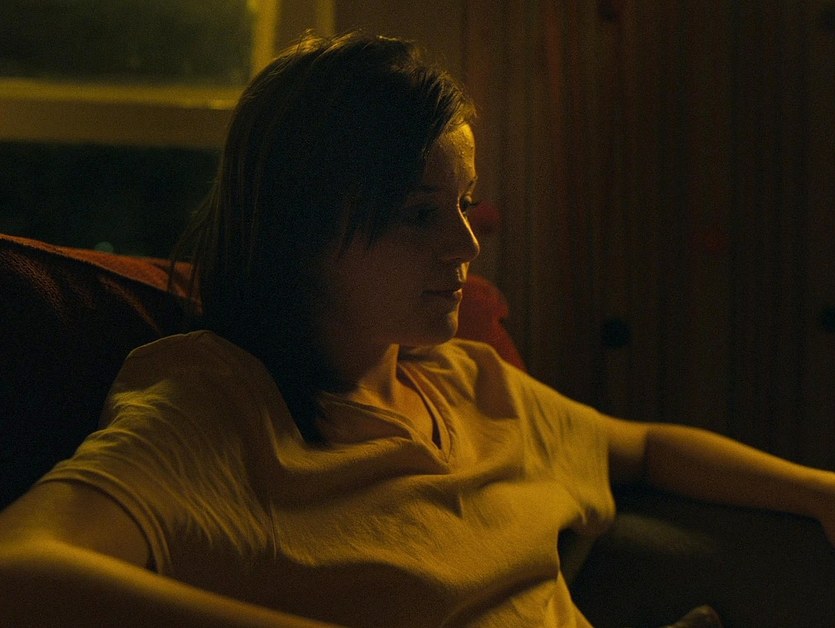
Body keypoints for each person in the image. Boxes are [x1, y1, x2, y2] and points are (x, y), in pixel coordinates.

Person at [0, 31, 833, 628]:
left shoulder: (469, 382)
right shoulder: (218, 408)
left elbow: (644, 448)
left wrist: (817, 489)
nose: (465, 246)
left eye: (464, 205)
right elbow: (21, 570)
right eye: (419, 213)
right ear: (300, 229)